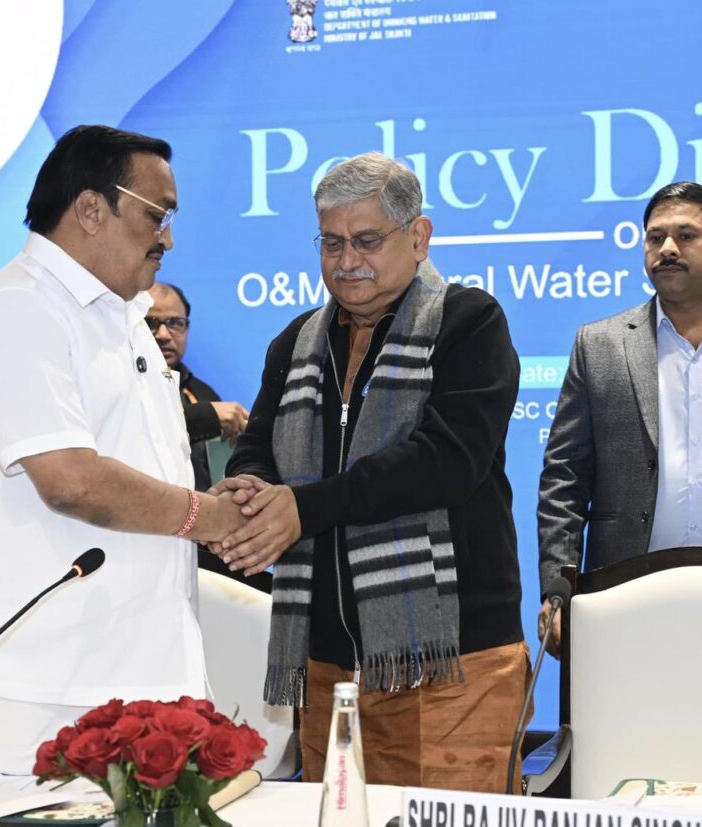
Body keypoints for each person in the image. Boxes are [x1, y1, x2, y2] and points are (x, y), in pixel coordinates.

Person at [0, 124, 247, 774]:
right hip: (29, 682)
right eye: (157, 214)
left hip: (130, 668)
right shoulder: (17, 307)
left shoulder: (122, 316)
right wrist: (210, 517)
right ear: (92, 209)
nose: (168, 237)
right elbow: (71, 481)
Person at [219, 152, 528, 791]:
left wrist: (304, 508)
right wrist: (252, 491)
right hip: (326, 662)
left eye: (366, 240)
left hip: (450, 658)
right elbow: (256, 447)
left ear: (419, 237)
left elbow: (446, 462)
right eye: (331, 243)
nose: (346, 260)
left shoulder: (469, 322)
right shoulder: (296, 341)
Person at [537, 181, 702, 656]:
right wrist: (557, 588)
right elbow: (564, 480)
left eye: (685, 236)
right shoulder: (600, 345)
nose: (667, 249)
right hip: (624, 595)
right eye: (655, 237)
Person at [146, 281, 250, 491]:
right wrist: (205, 417)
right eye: (150, 323)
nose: (163, 334)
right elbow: (137, 432)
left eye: (175, 323)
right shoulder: (120, 382)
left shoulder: (202, 392)